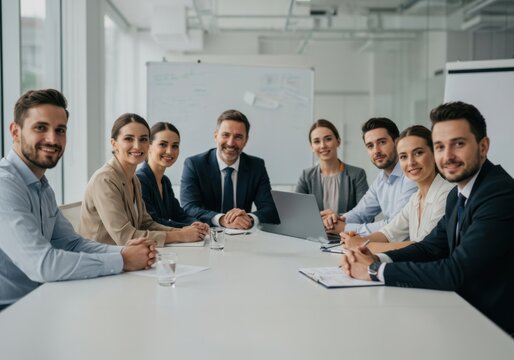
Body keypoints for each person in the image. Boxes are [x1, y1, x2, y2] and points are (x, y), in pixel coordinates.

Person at [340, 102, 514, 335]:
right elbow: (430, 247)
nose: (448, 156)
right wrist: (377, 257)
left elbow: (455, 271)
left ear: (483, 147)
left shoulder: (499, 193)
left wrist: (374, 271)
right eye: (440, 146)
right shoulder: (458, 195)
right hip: (465, 314)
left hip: (495, 329)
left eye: (458, 144)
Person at [0, 89, 156, 310]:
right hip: (12, 313)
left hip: (45, 298)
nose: (53, 139)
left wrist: (125, 252)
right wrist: (123, 260)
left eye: (60, 130)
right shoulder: (5, 185)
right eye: (40, 128)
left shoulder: (42, 186)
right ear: (15, 132)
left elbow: (72, 243)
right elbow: (42, 265)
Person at [79, 113, 208, 247]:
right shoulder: (105, 179)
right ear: (114, 143)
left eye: (143, 139)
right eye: (129, 139)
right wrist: (180, 235)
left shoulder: (133, 179)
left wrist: (184, 231)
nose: (137, 146)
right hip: (101, 259)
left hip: (125, 256)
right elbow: (125, 236)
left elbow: (146, 223)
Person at [341, 125, 454, 253]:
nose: (411, 162)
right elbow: (388, 233)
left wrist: (363, 245)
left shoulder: (447, 194)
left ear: (435, 154)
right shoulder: (415, 199)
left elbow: (423, 246)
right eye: (403, 157)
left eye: (418, 153)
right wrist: (360, 239)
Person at [180, 109, 279, 229]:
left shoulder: (256, 166)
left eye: (238, 137)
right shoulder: (195, 164)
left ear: (245, 140)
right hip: (208, 235)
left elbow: (270, 210)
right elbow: (189, 208)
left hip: (243, 236)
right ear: (216, 136)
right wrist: (222, 219)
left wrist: (249, 218)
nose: (231, 143)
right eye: (225, 135)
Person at [324, 117, 417, 237]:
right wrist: (337, 220)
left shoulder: (411, 175)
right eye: (370, 146)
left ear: (397, 142)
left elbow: (395, 226)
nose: (376, 150)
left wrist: (345, 228)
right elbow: (360, 213)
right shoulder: (381, 179)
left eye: (382, 142)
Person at [137, 122, 208, 228]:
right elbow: (152, 222)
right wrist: (186, 228)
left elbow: (179, 215)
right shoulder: (140, 180)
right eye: (163, 144)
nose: (170, 151)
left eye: (175, 146)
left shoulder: (165, 181)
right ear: (148, 146)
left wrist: (196, 223)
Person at [295, 119, 368, 218]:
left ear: (338, 141)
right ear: (311, 146)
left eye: (328, 139)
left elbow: (367, 214)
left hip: (346, 232)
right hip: (315, 233)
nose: (323, 145)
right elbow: (297, 213)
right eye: (317, 141)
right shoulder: (306, 176)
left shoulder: (357, 174)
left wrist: (337, 217)